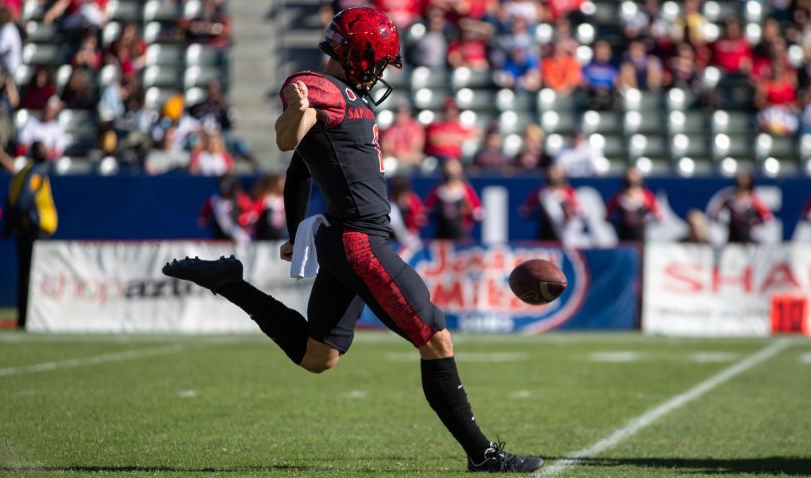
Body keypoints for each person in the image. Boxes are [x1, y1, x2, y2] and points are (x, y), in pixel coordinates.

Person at [162, 8, 542, 473]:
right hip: (360, 242)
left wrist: (291, 228)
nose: (380, 70)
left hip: (345, 242)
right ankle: (482, 455)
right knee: (436, 338)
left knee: (318, 356)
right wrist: (297, 115)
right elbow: (288, 141)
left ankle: (229, 282)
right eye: (378, 60)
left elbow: (298, 172)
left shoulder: (349, 99)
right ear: (358, 54)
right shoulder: (320, 90)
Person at [2, 142, 58, 329]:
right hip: (34, 229)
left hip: (22, 229)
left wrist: (10, 225)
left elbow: (11, 199)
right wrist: (24, 220)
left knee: (25, 274)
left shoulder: (21, 173)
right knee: (33, 274)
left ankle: (24, 317)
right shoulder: (35, 172)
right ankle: (31, 318)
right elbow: (25, 199)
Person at [519, 164, 581, 243]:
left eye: (558, 173)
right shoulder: (542, 192)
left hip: (565, 232)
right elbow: (524, 210)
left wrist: (568, 211)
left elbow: (578, 210)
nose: (555, 176)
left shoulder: (568, 192)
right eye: (553, 172)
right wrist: (537, 212)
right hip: (546, 232)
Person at [424, 159, 484, 240]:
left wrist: (469, 210)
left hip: (460, 234)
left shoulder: (465, 190)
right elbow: (426, 210)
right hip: (442, 233)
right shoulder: (438, 190)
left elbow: (478, 211)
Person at [708, 170, 772, 243]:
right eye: (740, 178)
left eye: (744, 178)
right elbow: (713, 215)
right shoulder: (728, 198)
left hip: (749, 241)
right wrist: (723, 222)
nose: (741, 181)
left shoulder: (754, 200)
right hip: (731, 240)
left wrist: (755, 223)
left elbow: (768, 218)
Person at [605, 167, 661, 242]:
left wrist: (646, 222)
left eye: (635, 175)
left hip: (641, 237)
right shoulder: (618, 198)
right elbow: (607, 216)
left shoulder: (646, 196)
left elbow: (658, 215)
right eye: (630, 175)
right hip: (623, 237)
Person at [197, 173, 255, 244]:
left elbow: (251, 216)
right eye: (222, 183)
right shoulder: (214, 200)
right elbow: (202, 221)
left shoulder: (241, 198)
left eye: (227, 183)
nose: (224, 187)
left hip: (240, 238)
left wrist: (243, 222)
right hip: (220, 237)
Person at [250, 174, 289, 241]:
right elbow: (254, 213)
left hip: (279, 234)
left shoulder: (283, 199)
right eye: (281, 182)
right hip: (265, 234)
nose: (283, 184)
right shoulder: (266, 199)